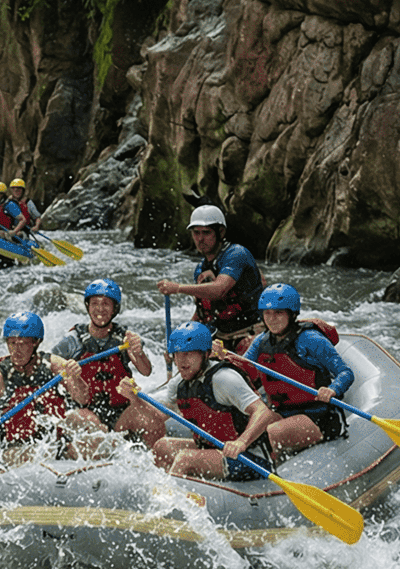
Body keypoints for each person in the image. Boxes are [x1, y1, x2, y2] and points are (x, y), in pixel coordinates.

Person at [239, 284, 354, 459]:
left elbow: (345, 373)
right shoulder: (261, 341)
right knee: (245, 431)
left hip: (318, 415)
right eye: (267, 313)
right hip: (281, 412)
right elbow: (241, 367)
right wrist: (220, 356)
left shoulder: (310, 339)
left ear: (291, 314)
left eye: (278, 313)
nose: (272, 319)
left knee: (269, 434)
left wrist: (332, 389)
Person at [150, 322, 277, 481]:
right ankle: (169, 489)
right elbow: (157, 416)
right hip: (212, 449)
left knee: (185, 458)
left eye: (189, 354)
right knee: (162, 447)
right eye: (177, 354)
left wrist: (241, 442)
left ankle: (166, 497)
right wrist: (134, 398)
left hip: (248, 457)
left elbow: (263, 412)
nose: (181, 361)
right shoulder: (179, 383)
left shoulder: (224, 378)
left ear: (205, 354)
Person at [51, 278, 166, 449]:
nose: (99, 309)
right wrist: (67, 371)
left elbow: (146, 370)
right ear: (88, 306)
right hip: (86, 410)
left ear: (115, 309)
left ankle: (156, 467)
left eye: (106, 304)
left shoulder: (125, 338)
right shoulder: (73, 339)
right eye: (94, 303)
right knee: (97, 433)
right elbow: (50, 363)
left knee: (151, 421)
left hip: (120, 412)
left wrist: (138, 351)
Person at [0, 312, 72, 463]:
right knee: (34, 454)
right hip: (13, 448)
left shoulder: (54, 365)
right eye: (12, 343)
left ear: (36, 342)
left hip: (53, 443)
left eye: (22, 343)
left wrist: (75, 377)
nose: (16, 349)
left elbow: (82, 398)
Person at [157, 203, 265, 343]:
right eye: (196, 233)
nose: (200, 239)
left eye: (206, 232)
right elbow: (203, 312)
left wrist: (178, 288)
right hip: (221, 335)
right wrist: (180, 338)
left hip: (251, 331)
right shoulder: (201, 270)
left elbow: (218, 289)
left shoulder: (237, 254)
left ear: (220, 232)